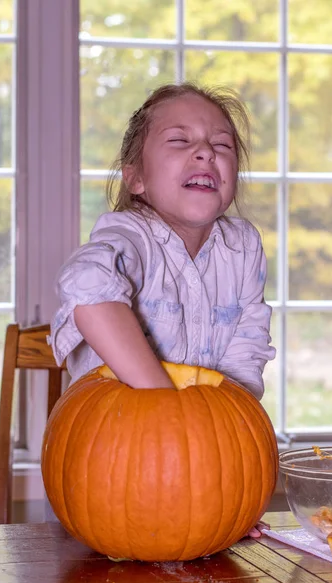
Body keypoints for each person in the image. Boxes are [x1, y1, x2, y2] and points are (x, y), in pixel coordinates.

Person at [50, 82, 276, 538]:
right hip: (113, 487)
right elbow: (86, 285)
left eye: (221, 145)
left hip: (201, 500)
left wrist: (230, 485)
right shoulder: (129, 237)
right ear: (136, 178)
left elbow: (244, 358)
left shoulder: (244, 247)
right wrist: (161, 406)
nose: (205, 153)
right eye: (180, 140)